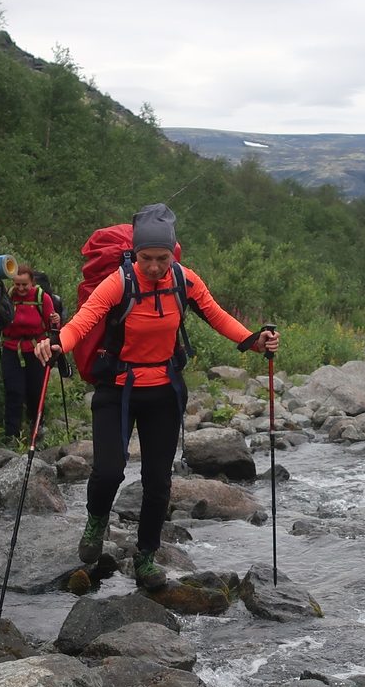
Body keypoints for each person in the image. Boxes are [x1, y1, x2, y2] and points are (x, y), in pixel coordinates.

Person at [36, 203, 278, 590]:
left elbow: (216, 315)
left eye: (161, 258)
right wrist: (55, 345)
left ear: (173, 252)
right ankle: (97, 520)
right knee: (110, 471)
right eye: (146, 258)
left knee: (157, 481)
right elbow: (84, 320)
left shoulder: (184, 279)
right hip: (116, 390)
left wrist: (254, 341)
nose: (153, 267)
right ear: (135, 253)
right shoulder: (118, 282)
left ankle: (146, 555)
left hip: (164, 391)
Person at [0, 262, 60, 444]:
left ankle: (37, 427)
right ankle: (12, 435)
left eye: (24, 284)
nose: (20, 288)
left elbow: (53, 327)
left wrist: (57, 321)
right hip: (12, 349)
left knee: (35, 391)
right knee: (13, 391)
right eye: (17, 284)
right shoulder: (9, 297)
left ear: (32, 282)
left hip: (37, 349)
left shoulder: (43, 298)